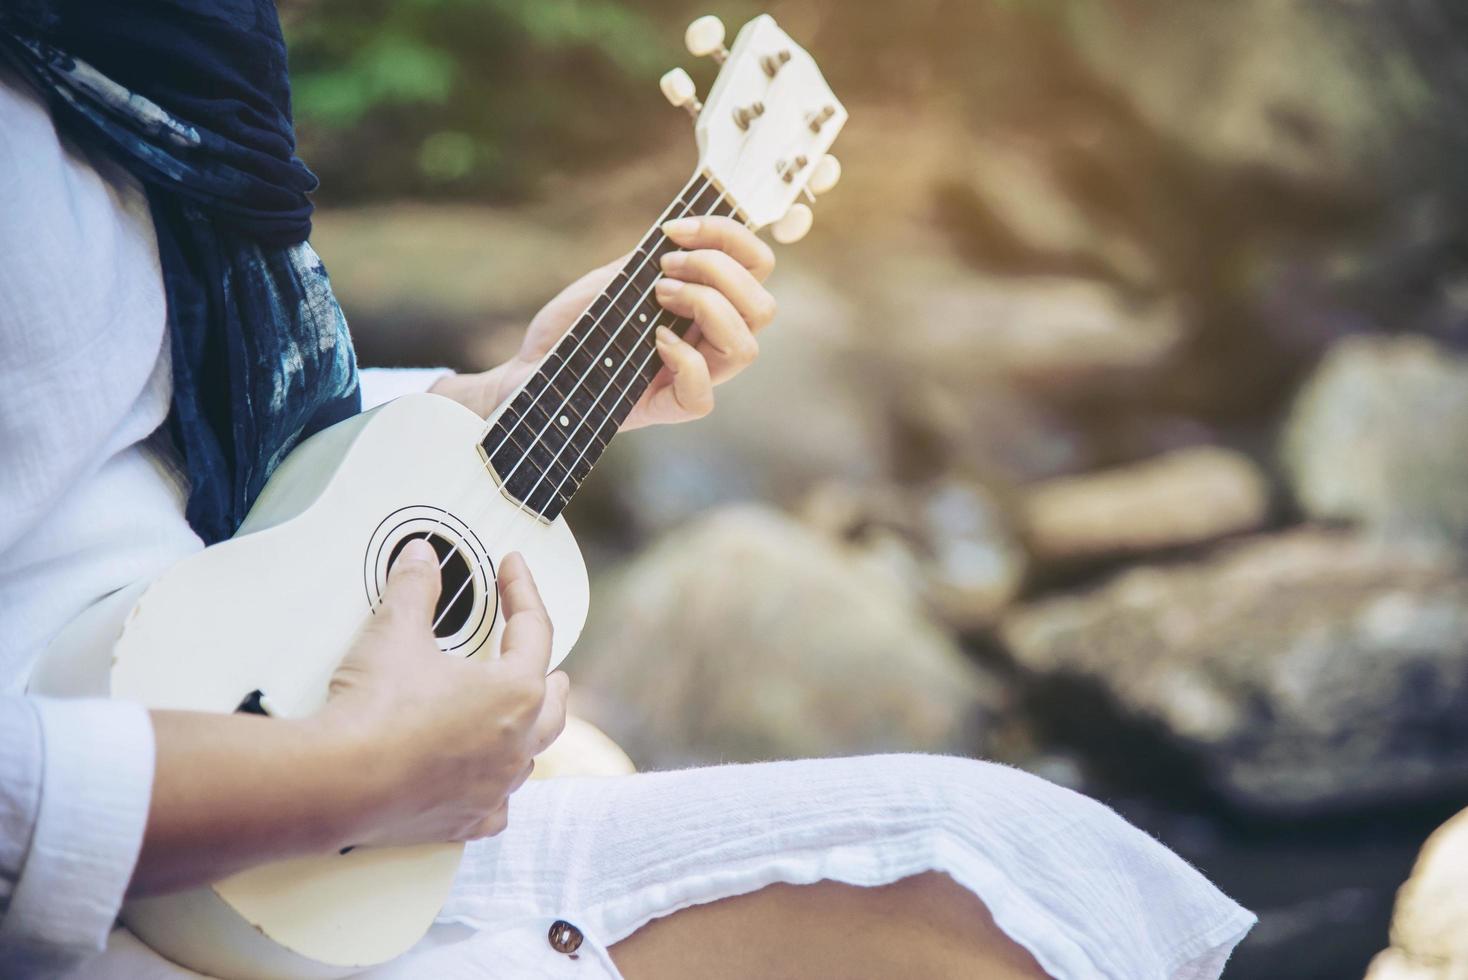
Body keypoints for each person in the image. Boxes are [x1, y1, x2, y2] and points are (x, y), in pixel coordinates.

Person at [0, 3, 1254, 978]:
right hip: (120, 851)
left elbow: (166, 427)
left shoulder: (155, 36)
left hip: (301, 799)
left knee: (1004, 872)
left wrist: (517, 392)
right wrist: (354, 771)